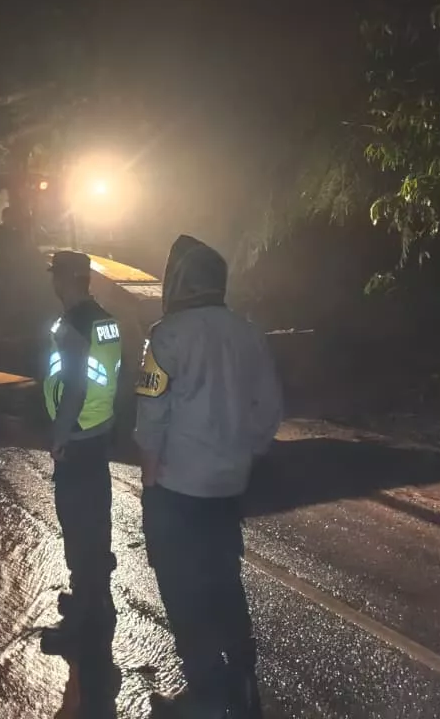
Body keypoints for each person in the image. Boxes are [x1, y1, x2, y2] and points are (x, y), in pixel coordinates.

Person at [135, 235, 283, 719]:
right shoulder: (249, 333)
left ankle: (203, 688)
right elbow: (268, 409)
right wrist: (249, 452)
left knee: (181, 586)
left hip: (177, 487)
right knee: (224, 579)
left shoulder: (166, 335)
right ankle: (242, 679)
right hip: (229, 484)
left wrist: (150, 479)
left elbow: (151, 415)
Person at [40, 251, 121, 665]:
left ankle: (83, 620)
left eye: (56, 276)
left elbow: (73, 386)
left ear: (65, 281)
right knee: (97, 520)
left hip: (76, 435)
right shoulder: (105, 319)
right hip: (99, 432)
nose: (53, 283)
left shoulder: (73, 325)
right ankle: (98, 603)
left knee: (78, 525)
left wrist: (59, 437)